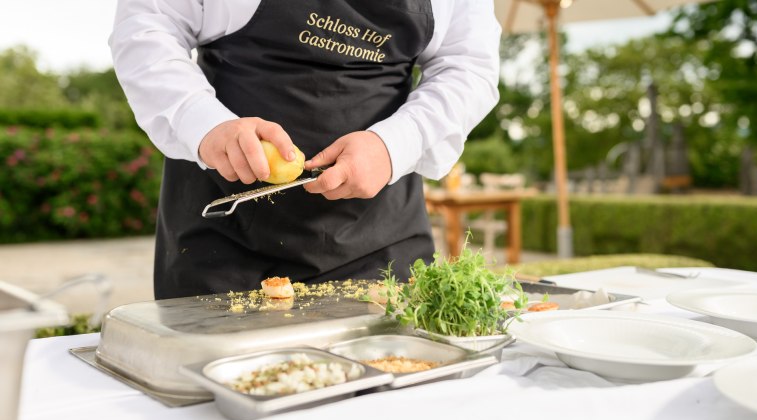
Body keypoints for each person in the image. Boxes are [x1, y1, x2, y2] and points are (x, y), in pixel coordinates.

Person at [110, 0, 500, 299]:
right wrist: (206, 125)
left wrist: (393, 144)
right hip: (222, 245)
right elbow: (148, 26)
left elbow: (469, 67)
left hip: (381, 244)